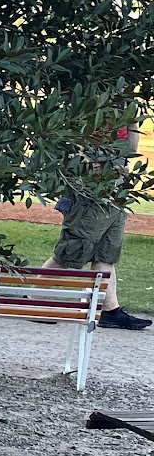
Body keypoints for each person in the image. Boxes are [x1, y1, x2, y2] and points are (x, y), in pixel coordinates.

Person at [48, 122, 149, 331]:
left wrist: (126, 154)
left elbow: (131, 139)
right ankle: (32, 297)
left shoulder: (124, 108)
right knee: (73, 249)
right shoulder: (93, 105)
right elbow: (75, 143)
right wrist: (95, 166)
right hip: (91, 187)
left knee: (107, 252)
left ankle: (109, 311)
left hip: (116, 186)